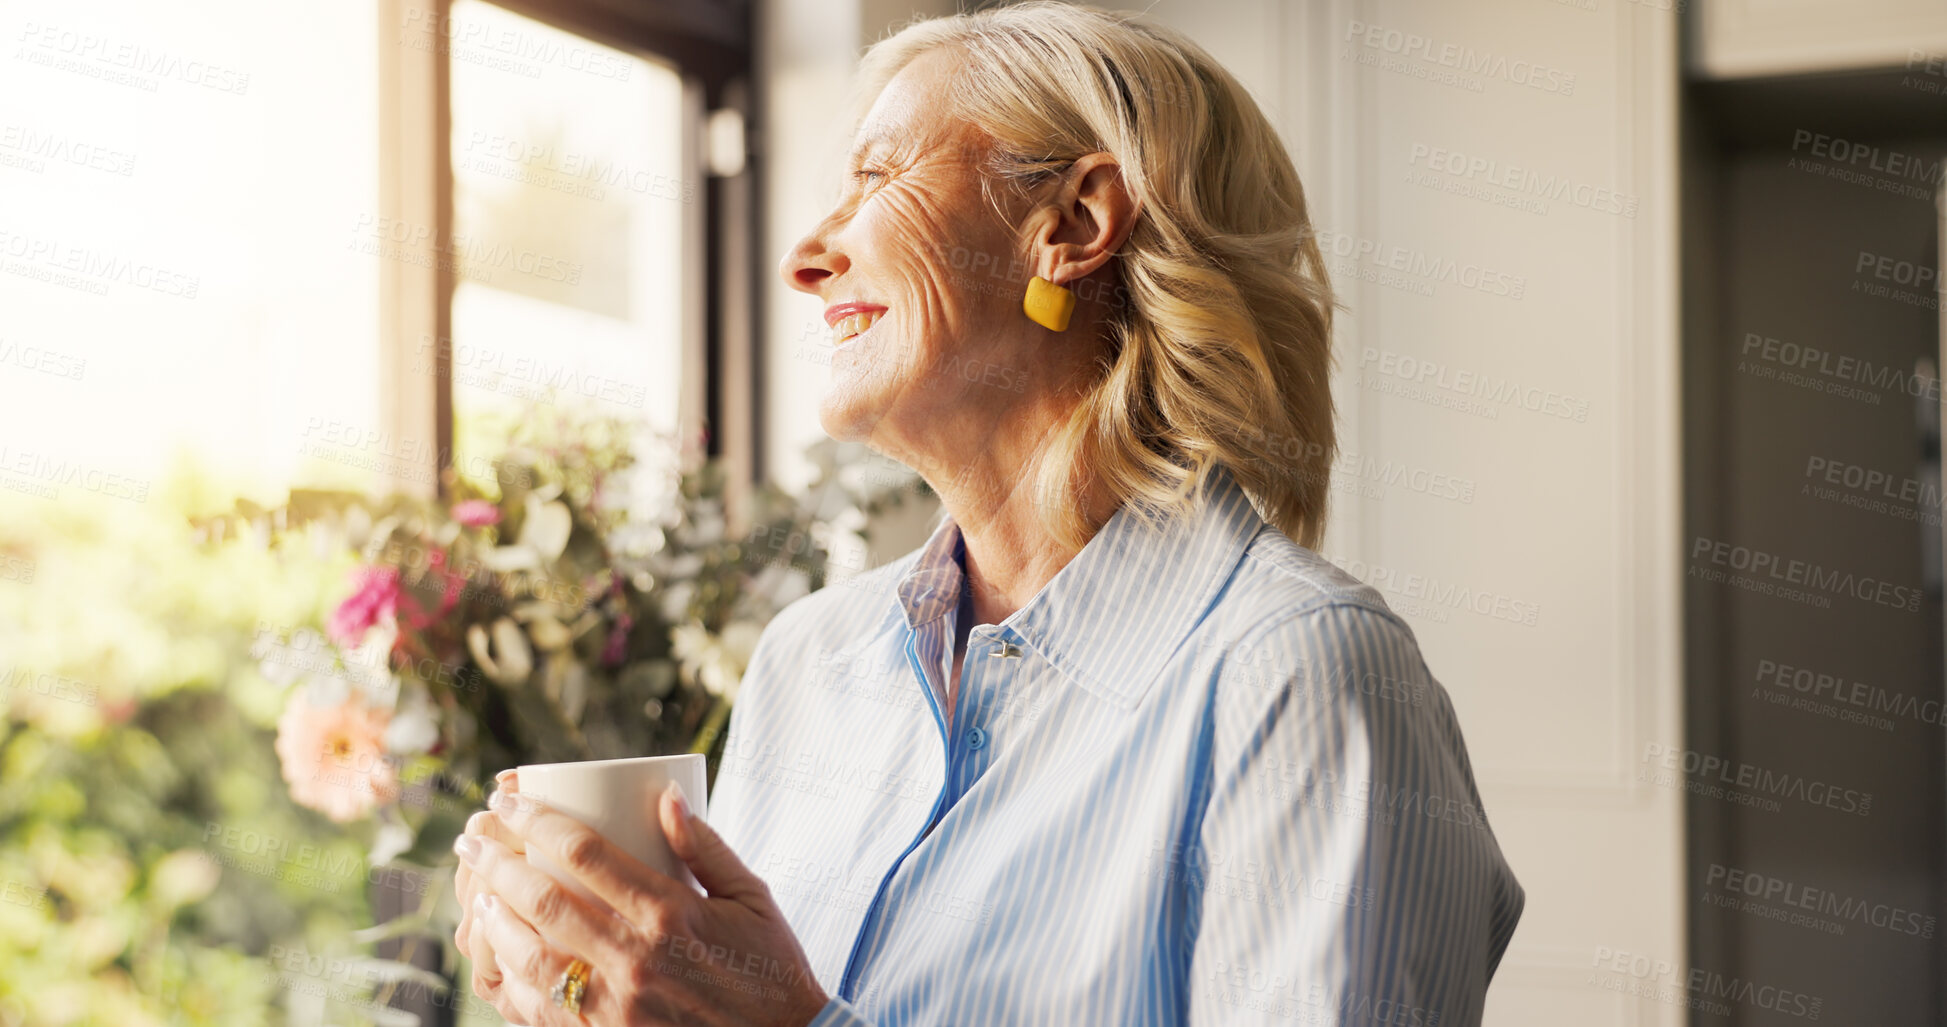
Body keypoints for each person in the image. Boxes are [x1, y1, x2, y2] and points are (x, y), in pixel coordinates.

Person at [450, 4, 1524, 1024]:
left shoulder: (1304, 677)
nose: (804, 257)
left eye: (876, 175)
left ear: (1073, 223)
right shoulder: (806, 662)